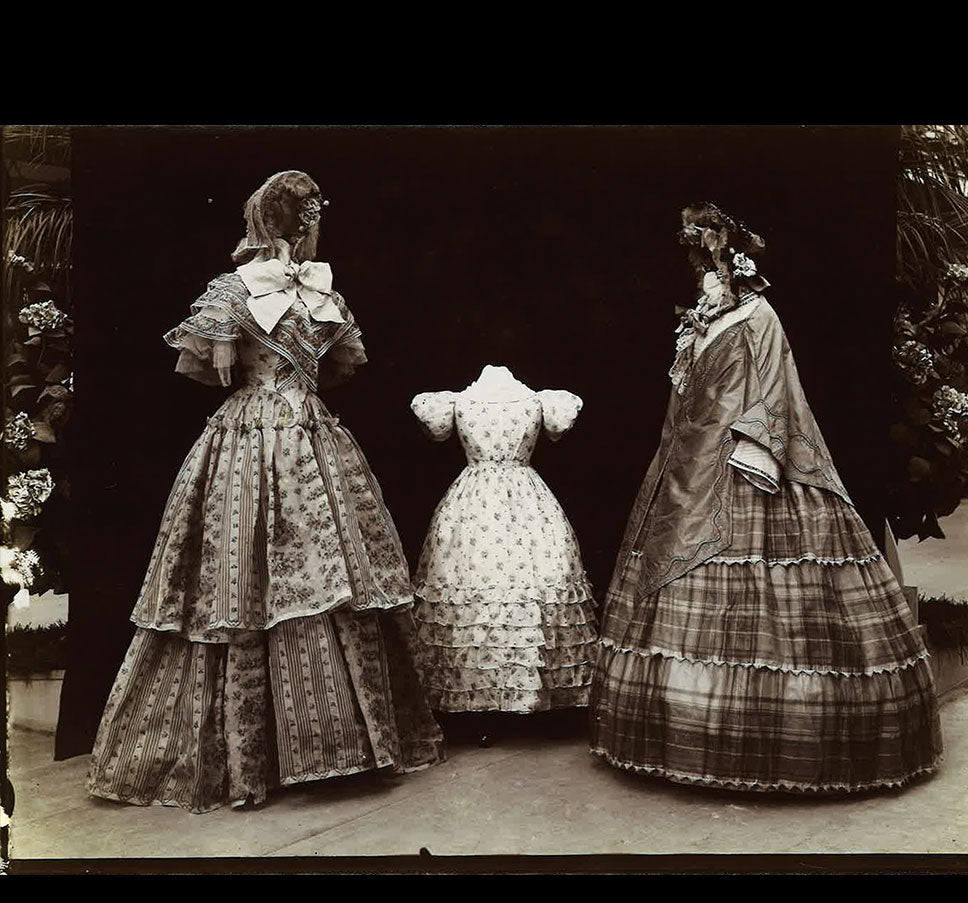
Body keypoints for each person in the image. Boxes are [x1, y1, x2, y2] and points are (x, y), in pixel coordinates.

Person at [87, 170, 444, 812]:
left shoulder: (317, 291)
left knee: (319, 582)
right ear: (291, 221)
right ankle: (263, 755)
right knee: (248, 583)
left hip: (287, 433)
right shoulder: (234, 292)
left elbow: (319, 367)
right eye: (306, 217)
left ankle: (331, 744)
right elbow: (231, 369)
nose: (309, 227)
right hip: (264, 438)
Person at [589, 202, 942, 793]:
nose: (701, 270)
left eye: (708, 259)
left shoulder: (760, 316)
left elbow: (777, 389)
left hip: (747, 461)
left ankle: (774, 743)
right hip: (688, 467)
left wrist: (756, 449)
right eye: (696, 260)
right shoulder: (700, 320)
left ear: (732, 261)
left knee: (781, 604)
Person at [410, 364, 598, 744]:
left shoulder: (539, 401)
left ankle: (520, 700)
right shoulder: (458, 402)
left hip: (481, 498)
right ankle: (489, 702)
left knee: (512, 581)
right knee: (489, 582)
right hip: (514, 499)